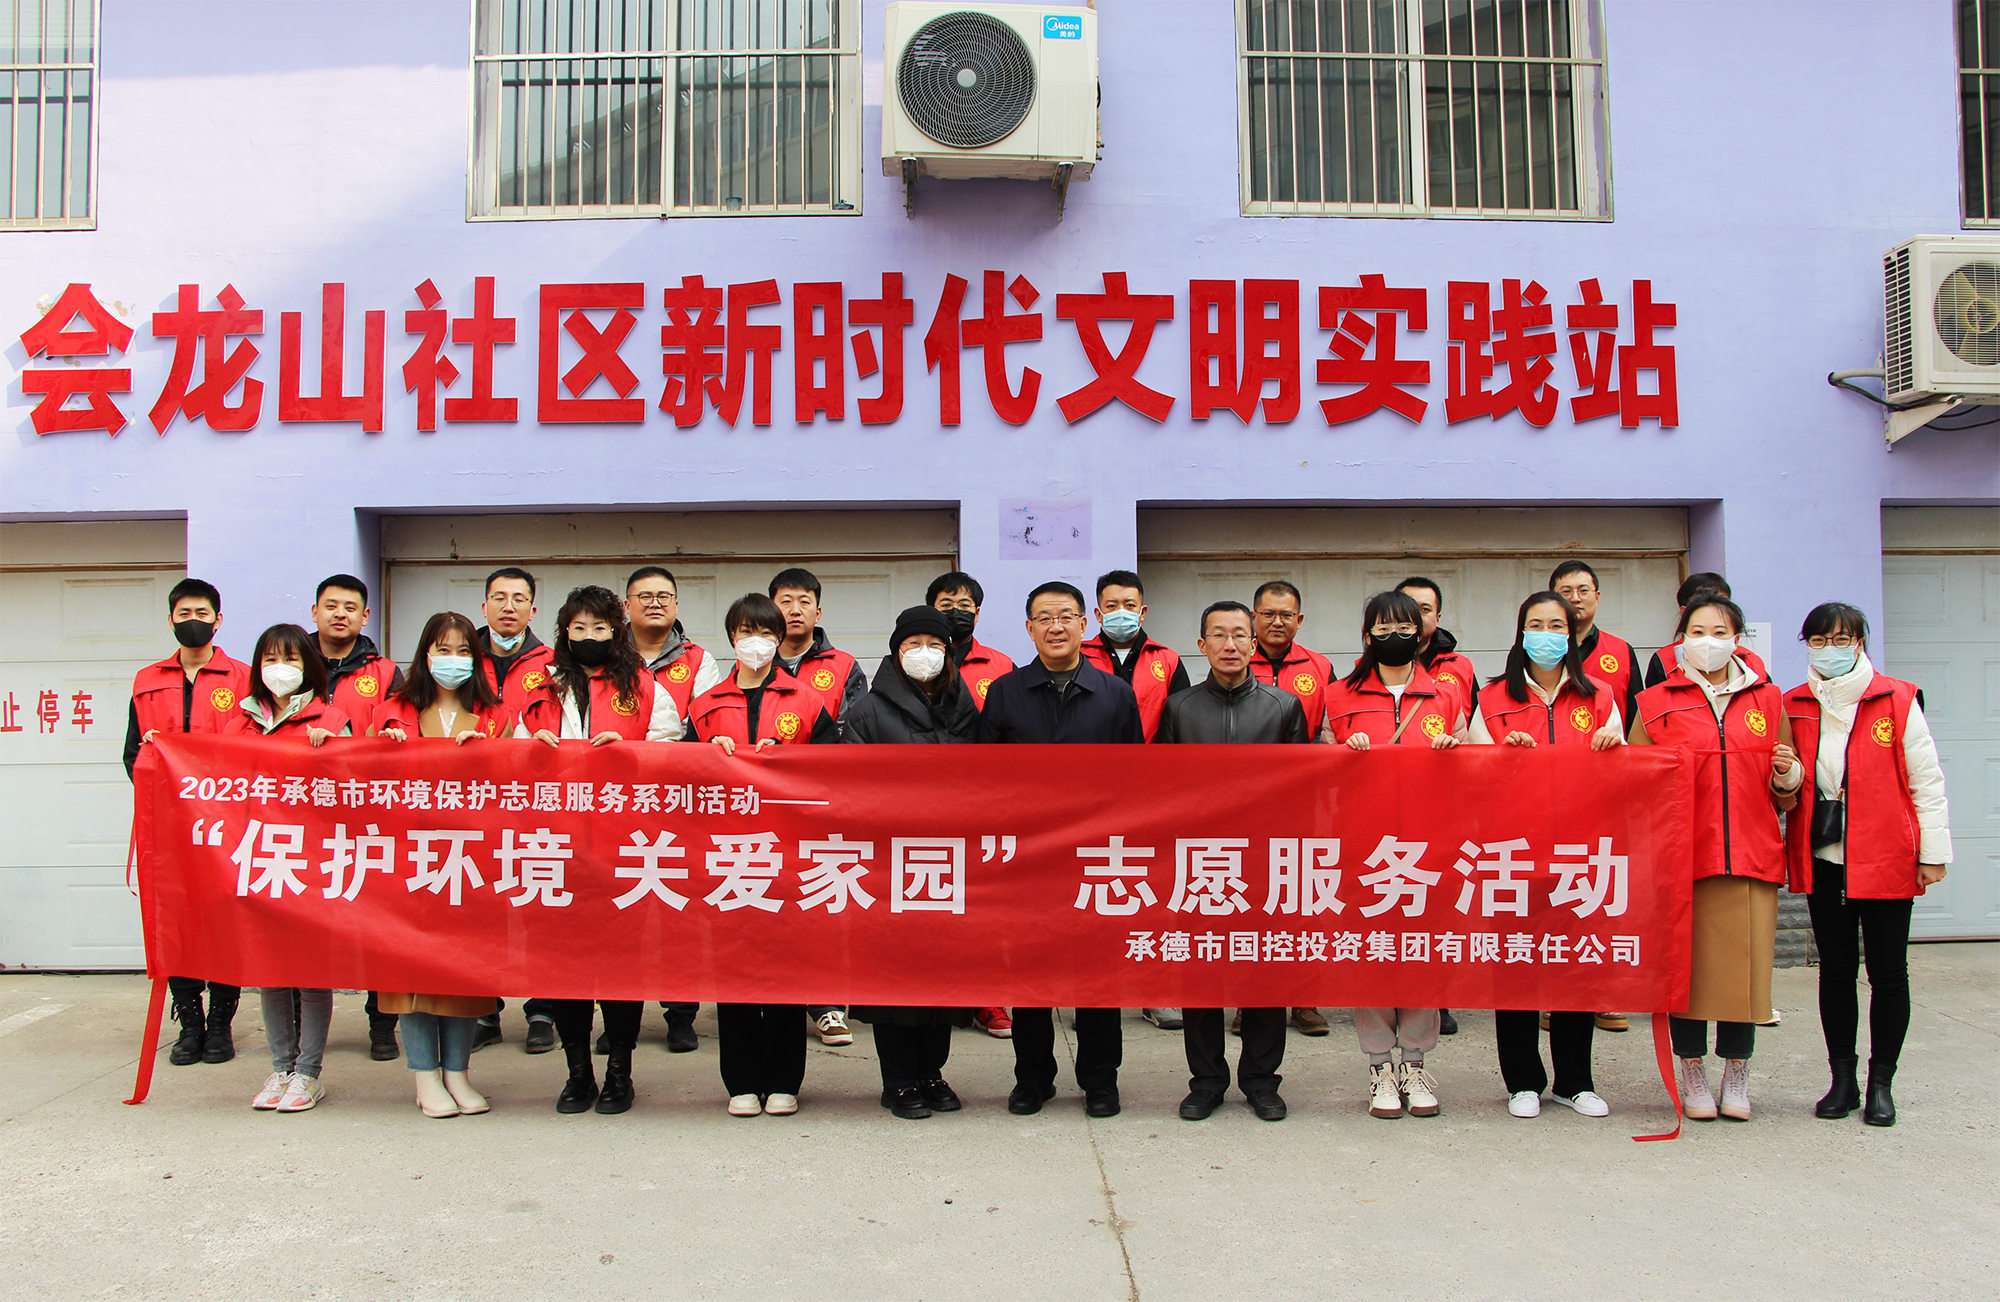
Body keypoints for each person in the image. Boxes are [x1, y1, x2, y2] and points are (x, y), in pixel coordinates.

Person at [1629, 592, 1801, 1123]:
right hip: (1684, 857)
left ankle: (1737, 1071)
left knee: (1744, 974)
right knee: (1688, 972)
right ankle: (1692, 1069)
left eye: (1720, 632)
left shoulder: (1768, 699)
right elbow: (1636, 785)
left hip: (1751, 854)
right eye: (1698, 632)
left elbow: (1787, 789)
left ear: (1737, 640)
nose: (1709, 642)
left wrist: (1786, 773)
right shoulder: (1654, 702)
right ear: (1681, 639)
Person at [978, 580, 1145, 1118]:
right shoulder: (1005, 692)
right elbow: (985, 778)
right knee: (1030, 975)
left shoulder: (1114, 693)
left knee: (1098, 975)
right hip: (1029, 858)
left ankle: (1100, 1080)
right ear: (1029, 628)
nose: (1056, 627)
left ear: (1083, 624)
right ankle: (1033, 1078)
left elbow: (1134, 780)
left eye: (1066, 616)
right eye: (1045, 618)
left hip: (1098, 856)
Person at [1783, 603, 1951, 1128]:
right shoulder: (1795, 703)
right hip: (1825, 858)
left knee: (1888, 973)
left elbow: (1926, 780)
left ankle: (1882, 1084)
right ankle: (1842, 1081)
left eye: (1841, 639)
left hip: (1886, 856)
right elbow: (1785, 782)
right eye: (1818, 641)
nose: (1830, 650)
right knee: (1835, 972)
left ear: (1859, 643)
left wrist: (1933, 853)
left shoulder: (1897, 699)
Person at [522, 586, 682, 1116]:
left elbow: (672, 749)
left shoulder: (643, 683)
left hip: (625, 848)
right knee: (564, 966)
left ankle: (619, 1070)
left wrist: (631, 752)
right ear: (564, 632)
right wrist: (530, 750)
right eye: (579, 628)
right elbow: (507, 752)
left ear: (617, 630)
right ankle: (577, 1073)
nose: (589, 636)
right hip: (555, 847)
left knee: (621, 965)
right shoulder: (542, 684)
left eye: (600, 627)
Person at [1157, 601, 1310, 1122]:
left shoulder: (1284, 706)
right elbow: (1162, 789)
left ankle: (1262, 1081)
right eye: (1218, 635)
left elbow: (1302, 789)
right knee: (1200, 976)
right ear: (1201, 645)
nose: (1230, 644)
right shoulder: (1179, 708)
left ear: (1253, 643)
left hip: (1265, 863)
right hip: (1199, 863)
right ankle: (1206, 1082)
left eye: (1240, 635)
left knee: (1264, 975)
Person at [1474, 592, 1624, 1120]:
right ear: (1521, 633)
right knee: (1516, 965)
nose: (1547, 634)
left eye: (1556, 625)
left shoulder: (1600, 695)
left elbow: (1623, 774)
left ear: (1571, 634)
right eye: (1536, 625)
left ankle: (1575, 1081)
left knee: (1575, 965)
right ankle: (1522, 1081)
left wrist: (1614, 749)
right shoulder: (1492, 697)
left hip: (1579, 852)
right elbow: (1471, 773)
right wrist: (1501, 756)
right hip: (1512, 852)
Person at [1319, 591, 1469, 1120]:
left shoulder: (1446, 695)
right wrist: (1343, 757)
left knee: (1422, 953)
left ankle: (1416, 1062)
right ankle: (1379, 1065)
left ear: (1421, 634)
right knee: (1374, 954)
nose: (1395, 636)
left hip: (1430, 846)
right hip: (1364, 846)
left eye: (1405, 627)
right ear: (1367, 636)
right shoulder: (1339, 695)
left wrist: (1455, 755)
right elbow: (1316, 770)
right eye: (1382, 628)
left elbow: (1475, 768)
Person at [690, 594, 835, 1116]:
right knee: (734, 970)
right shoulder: (706, 705)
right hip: (728, 855)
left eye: (767, 633)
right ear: (732, 638)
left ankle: (784, 1080)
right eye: (747, 632)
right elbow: (679, 779)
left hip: (790, 854)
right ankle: (741, 1082)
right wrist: (708, 759)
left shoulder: (807, 700)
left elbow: (835, 773)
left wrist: (791, 762)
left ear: (780, 639)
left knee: (785, 969)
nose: (757, 642)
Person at [844, 606, 981, 1118]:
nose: (924, 654)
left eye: (934, 644)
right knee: (895, 979)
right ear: (896, 652)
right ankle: (898, 1080)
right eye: (912, 645)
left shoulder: (964, 706)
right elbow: (852, 791)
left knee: (943, 975)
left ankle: (931, 1071)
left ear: (949, 652)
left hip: (949, 864)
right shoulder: (868, 711)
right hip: (890, 867)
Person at [374, 611, 504, 1117]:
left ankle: (458, 1073)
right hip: (408, 859)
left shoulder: (496, 716)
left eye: (463, 651)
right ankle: (424, 1076)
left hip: (471, 861)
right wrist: (383, 750)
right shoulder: (393, 712)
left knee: (464, 974)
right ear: (425, 654)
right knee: (411, 975)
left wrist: (490, 754)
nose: (453, 660)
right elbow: (359, 781)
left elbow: (521, 784)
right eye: (443, 650)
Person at [124, 578, 252, 1068]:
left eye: (201, 613)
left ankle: (220, 1024)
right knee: (176, 921)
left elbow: (256, 753)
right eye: (183, 614)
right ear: (171, 619)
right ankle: (190, 1024)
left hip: (226, 825)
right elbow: (131, 753)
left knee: (224, 921)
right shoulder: (146, 680)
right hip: (169, 824)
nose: (192, 621)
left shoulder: (242, 678)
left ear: (218, 620)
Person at [225, 623, 349, 1114]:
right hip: (258, 858)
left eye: (292, 659)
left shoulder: (332, 718)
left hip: (311, 861)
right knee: (271, 970)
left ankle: (308, 1073)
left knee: (311, 972)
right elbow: (212, 777)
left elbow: (357, 786)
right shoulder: (240, 723)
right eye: (271, 659)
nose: (281, 669)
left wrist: (332, 750)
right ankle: (280, 1068)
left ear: (309, 667)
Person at [1082, 569, 1191, 1031]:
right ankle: (1094, 992)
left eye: (1129, 605)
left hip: (1153, 794)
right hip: (1092, 795)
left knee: (1155, 892)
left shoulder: (1167, 659)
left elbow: (1182, 718)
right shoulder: (1078, 655)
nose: (1120, 613)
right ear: (1097, 612)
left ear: (1143, 611)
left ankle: (1155, 990)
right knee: (1094, 892)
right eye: (1112, 606)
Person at [625, 564, 724, 1054]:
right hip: (617, 804)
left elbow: (705, 725)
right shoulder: (608, 657)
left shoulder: (699, 660)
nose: (655, 603)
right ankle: (619, 1015)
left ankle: (680, 1014)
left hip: (678, 803)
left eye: (664, 595)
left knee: (678, 911)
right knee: (620, 912)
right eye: (644, 596)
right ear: (627, 605)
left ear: (677, 604)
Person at [307, 573, 405, 1059]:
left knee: (377, 926)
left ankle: (381, 1025)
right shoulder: (289, 664)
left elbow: (402, 727)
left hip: (369, 817)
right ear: (315, 611)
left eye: (350, 607)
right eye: (331, 605)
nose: (339, 614)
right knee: (304, 922)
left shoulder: (385, 673)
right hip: (302, 817)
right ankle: (304, 1033)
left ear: (365, 616)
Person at [1550, 560, 1649, 1036]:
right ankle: (1551, 993)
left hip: (1606, 797)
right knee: (1553, 896)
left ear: (1597, 596)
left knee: (1602, 894)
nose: (1575, 598)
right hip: (1549, 801)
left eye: (1583, 589)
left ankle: (1604, 992)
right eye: (1565, 590)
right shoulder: (1537, 646)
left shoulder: (1621, 653)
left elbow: (1639, 721)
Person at [769, 566, 867, 1046]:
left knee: (822, 902)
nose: (794, 610)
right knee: (769, 902)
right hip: (767, 808)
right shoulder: (751, 663)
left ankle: (828, 1003)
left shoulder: (844, 666)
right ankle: (772, 996)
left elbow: (853, 732)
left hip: (824, 805)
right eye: (785, 601)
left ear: (818, 610)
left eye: (803, 601)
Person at [469, 566, 558, 1053]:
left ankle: (542, 1010)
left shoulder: (553, 663)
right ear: (484, 605)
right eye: (499, 597)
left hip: (535, 804)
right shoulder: (461, 655)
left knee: (539, 907)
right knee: (482, 908)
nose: (508, 606)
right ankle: (485, 1009)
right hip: (475, 803)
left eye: (518, 598)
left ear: (532, 609)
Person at [1243, 579, 1335, 1038]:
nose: (1276, 622)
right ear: (1253, 618)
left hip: (1304, 804)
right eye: (1268, 614)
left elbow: (1332, 730)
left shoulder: (1320, 667)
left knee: (1302, 900)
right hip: (1249, 806)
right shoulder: (1237, 658)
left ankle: (1304, 999)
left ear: (1299, 620)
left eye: (1286, 615)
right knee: (1251, 900)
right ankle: (1252, 999)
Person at [928, 570, 1015, 1040]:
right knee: (933, 900)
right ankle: (937, 993)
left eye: (965, 605)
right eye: (946, 604)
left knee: (986, 906)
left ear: (978, 614)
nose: (955, 612)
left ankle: (988, 997)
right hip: (927, 806)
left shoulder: (1000, 665)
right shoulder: (911, 660)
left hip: (985, 804)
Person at [1394, 576, 1479, 1038]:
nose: (1415, 617)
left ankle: (1437, 997)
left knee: (1437, 907)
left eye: (1424, 609)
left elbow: (1475, 735)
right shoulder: (1369, 669)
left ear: (1437, 617)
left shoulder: (1459, 669)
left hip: (1440, 810)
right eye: (1407, 609)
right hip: (1387, 812)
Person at [1644, 572, 1770, 688]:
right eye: (1698, 632)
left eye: (1722, 603)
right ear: (1685, 612)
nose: (1713, 609)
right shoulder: (1664, 660)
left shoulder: (1752, 661)